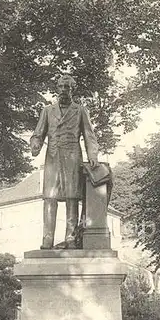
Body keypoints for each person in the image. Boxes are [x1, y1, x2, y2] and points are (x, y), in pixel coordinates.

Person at [30, 74, 100, 249]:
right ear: (57, 88)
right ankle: (47, 239)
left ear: (72, 89)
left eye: (67, 87)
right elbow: (38, 133)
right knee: (49, 198)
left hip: (72, 156)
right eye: (61, 87)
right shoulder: (47, 111)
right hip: (52, 157)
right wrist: (35, 144)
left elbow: (89, 135)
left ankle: (70, 238)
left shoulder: (80, 110)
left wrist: (93, 155)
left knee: (72, 197)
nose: (63, 90)